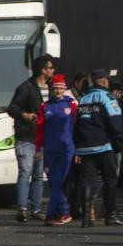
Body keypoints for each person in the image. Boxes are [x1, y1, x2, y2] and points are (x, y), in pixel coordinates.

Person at [74, 69, 123, 227]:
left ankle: (86, 219)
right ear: (105, 81)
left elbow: (77, 124)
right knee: (110, 180)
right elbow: (115, 120)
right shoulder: (107, 97)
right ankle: (111, 216)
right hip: (104, 146)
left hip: (85, 147)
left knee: (87, 181)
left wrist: (77, 147)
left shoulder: (83, 98)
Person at [7, 55, 54, 223]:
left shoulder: (51, 88)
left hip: (44, 138)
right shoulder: (26, 87)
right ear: (43, 70)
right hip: (26, 137)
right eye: (50, 67)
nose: (52, 70)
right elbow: (12, 108)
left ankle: (36, 209)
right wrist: (24, 115)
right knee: (25, 172)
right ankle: (22, 208)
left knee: (39, 176)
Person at [40, 74, 78, 225]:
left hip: (66, 150)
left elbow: (76, 128)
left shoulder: (72, 106)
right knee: (53, 182)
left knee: (58, 181)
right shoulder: (45, 107)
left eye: (61, 88)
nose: (58, 91)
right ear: (51, 89)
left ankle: (54, 213)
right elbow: (40, 130)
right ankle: (61, 212)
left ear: (65, 90)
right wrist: (38, 149)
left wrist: (77, 150)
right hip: (49, 150)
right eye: (55, 88)